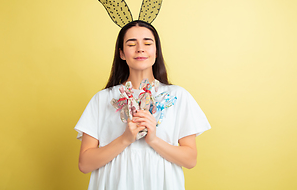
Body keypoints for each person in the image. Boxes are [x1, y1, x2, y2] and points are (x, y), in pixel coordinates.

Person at [74, 20, 211, 190]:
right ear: (122, 53)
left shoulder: (177, 96)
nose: (140, 48)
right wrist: (125, 139)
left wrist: (153, 139)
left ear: (156, 51)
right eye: (131, 44)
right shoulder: (102, 99)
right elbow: (85, 164)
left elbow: (190, 160)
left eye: (147, 43)